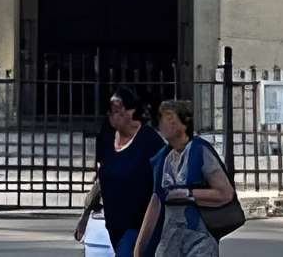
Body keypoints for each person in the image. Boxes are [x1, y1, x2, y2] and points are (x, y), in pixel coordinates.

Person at [133, 98, 234, 257]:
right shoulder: (164, 158)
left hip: (199, 238)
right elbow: (156, 202)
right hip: (170, 239)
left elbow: (225, 193)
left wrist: (188, 194)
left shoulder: (200, 151)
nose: (164, 124)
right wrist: (139, 247)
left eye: (170, 119)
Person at [76, 86, 165, 257]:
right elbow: (101, 179)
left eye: (117, 110)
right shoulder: (107, 138)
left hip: (140, 224)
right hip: (115, 224)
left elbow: (161, 184)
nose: (112, 115)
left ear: (131, 111)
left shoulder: (150, 141)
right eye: (110, 111)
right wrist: (85, 216)